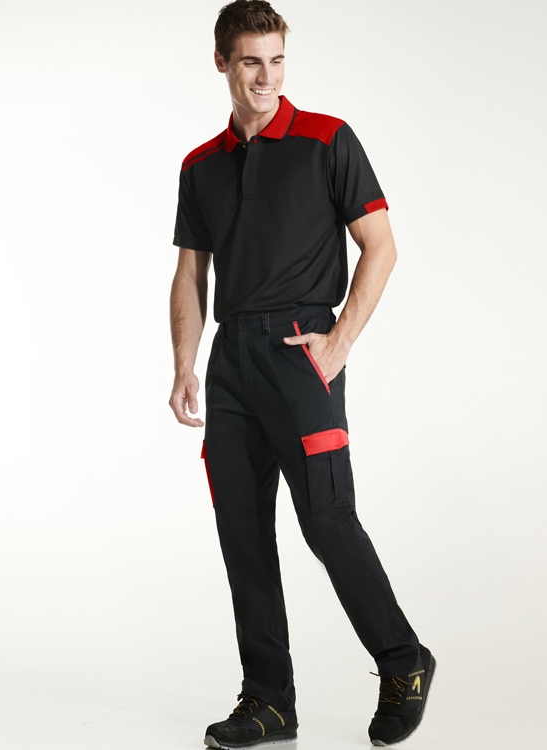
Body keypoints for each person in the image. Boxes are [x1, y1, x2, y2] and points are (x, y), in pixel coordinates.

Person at [168, 2, 434, 747]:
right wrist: (185, 363)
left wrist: (338, 344)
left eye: (277, 60)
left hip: (299, 352)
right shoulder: (201, 165)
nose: (267, 77)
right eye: (252, 61)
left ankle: (403, 660)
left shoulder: (327, 139)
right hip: (230, 362)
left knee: (326, 519)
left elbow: (380, 245)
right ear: (222, 62)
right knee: (242, 531)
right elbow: (190, 272)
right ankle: (269, 700)